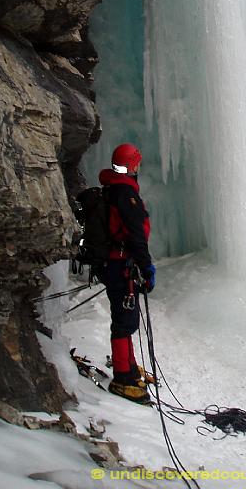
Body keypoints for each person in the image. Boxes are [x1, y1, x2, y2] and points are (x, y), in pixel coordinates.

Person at [97, 143, 156, 404]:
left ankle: (129, 366)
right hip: (120, 264)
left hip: (115, 263)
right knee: (124, 319)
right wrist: (146, 266)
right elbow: (135, 235)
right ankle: (123, 376)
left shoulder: (113, 189)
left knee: (127, 316)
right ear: (132, 165)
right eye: (137, 163)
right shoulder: (125, 194)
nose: (139, 167)